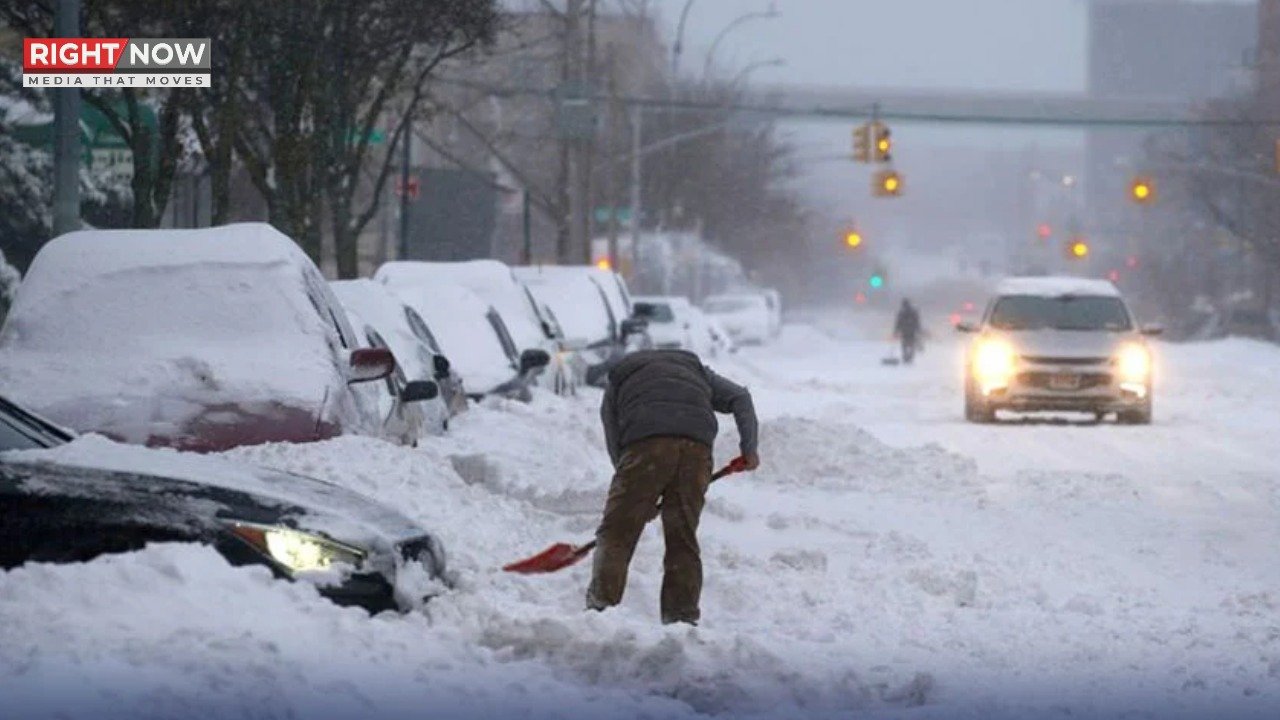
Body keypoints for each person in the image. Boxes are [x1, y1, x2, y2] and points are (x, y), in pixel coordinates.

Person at [587, 349, 759, 625]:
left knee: (616, 533)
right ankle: (681, 618)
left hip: (646, 447)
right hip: (695, 449)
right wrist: (749, 449)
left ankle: (600, 613)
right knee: (682, 537)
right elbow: (741, 397)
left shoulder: (619, 379)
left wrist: (636, 493)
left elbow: (614, 437)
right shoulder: (697, 371)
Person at [893, 299, 922, 364]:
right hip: (912, 330)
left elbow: (898, 322)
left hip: (904, 331)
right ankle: (910, 357)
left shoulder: (901, 312)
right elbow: (917, 321)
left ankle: (905, 357)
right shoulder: (914, 311)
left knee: (904, 345)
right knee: (912, 344)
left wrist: (896, 331)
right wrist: (918, 330)